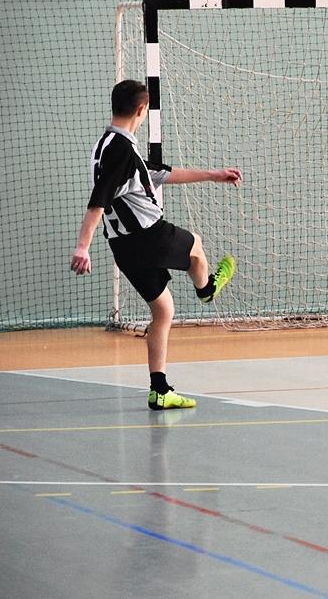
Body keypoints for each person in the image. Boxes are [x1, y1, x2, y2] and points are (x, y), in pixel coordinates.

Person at [70, 79, 241, 409]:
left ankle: (160, 390)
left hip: (123, 248)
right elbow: (98, 200)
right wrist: (82, 246)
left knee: (163, 311)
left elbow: (160, 173)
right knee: (196, 248)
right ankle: (207, 290)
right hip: (149, 236)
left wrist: (213, 174)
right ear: (141, 110)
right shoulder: (121, 149)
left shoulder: (106, 145)